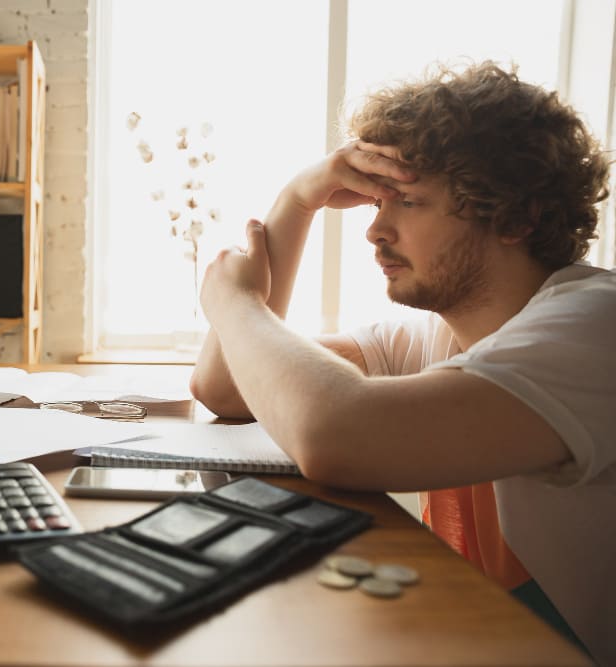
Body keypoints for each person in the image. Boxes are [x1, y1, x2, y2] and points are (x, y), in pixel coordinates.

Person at [190, 61, 615, 664]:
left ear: (517, 219)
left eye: (409, 201)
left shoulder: (597, 326)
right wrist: (297, 201)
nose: (375, 230)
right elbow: (227, 390)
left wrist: (234, 302)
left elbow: (336, 433)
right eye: (374, 204)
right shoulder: (434, 335)